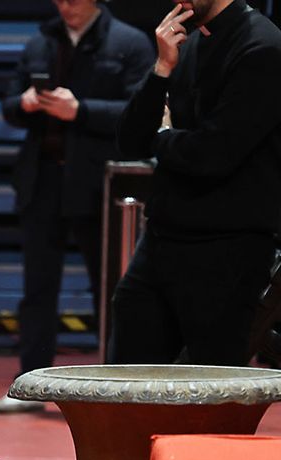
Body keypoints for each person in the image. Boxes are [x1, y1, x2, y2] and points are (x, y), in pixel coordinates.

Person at [0, 0, 154, 414]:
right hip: (43, 178)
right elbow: (9, 104)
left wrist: (80, 111)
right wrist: (26, 102)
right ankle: (31, 384)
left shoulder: (129, 42)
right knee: (37, 289)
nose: (66, 7)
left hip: (97, 182)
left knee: (111, 289)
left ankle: (117, 385)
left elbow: (143, 111)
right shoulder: (40, 40)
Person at [107, 0, 281, 366]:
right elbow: (130, 140)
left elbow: (213, 155)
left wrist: (163, 135)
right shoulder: (183, 42)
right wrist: (161, 68)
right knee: (125, 377)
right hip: (161, 240)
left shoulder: (263, 47)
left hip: (226, 251)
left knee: (208, 393)